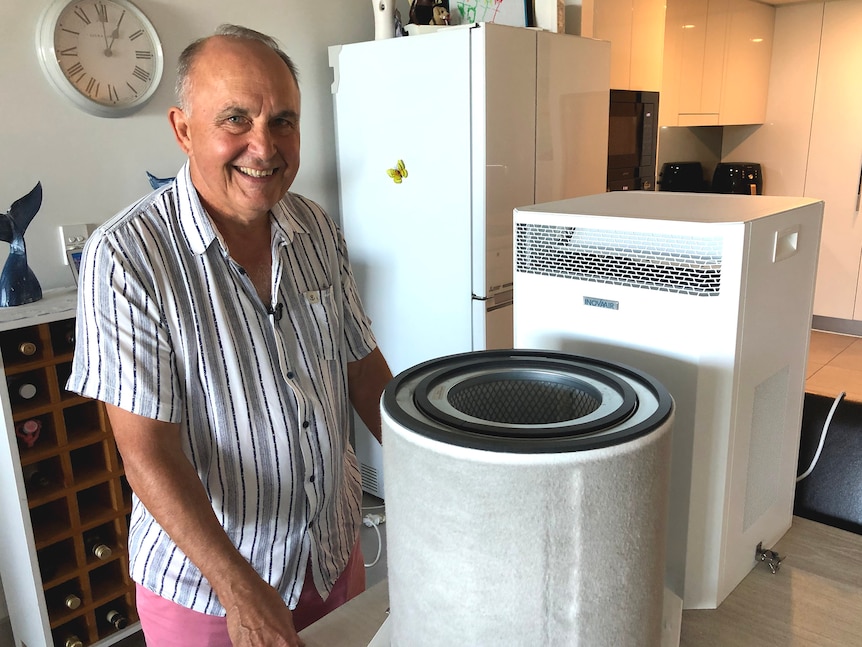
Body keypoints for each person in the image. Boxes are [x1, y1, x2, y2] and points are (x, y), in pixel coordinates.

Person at [67, 24, 392, 647]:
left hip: (327, 556)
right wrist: (238, 587)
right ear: (183, 130)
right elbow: (147, 453)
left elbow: (361, 366)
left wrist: (438, 474)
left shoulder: (315, 227)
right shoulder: (129, 256)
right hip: (211, 590)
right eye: (235, 119)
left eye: (284, 122)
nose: (263, 147)